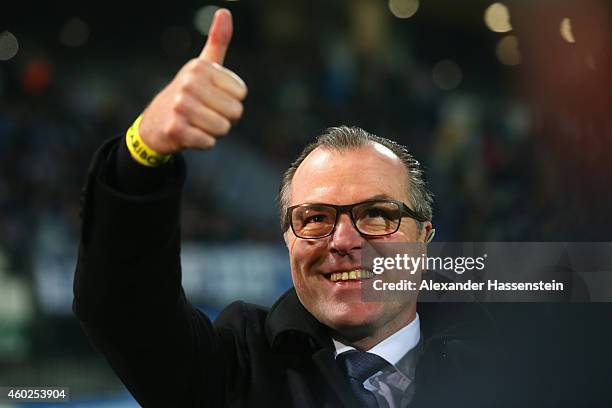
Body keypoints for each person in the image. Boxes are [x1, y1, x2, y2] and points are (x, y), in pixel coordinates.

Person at [73, 9, 498, 407]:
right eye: (315, 219)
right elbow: (123, 309)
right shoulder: (233, 370)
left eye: (377, 214)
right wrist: (142, 153)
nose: (344, 241)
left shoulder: (514, 366)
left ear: (423, 238)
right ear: (288, 241)